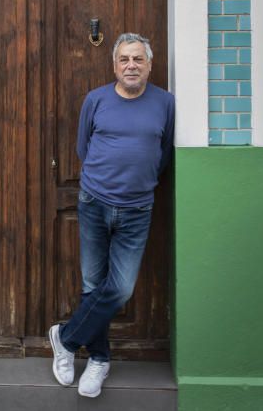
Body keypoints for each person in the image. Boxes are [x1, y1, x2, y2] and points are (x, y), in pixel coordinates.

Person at [49, 32, 175, 398]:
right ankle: (99, 360)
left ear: (150, 65)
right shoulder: (96, 99)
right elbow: (82, 146)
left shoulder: (165, 103)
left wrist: (142, 179)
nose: (131, 66)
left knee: (118, 289)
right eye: (124, 60)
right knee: (93, 284)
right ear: (114, 65)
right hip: (94, 203)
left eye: (138, 59)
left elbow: (163, 151)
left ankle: (66, 339)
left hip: (137, 208)